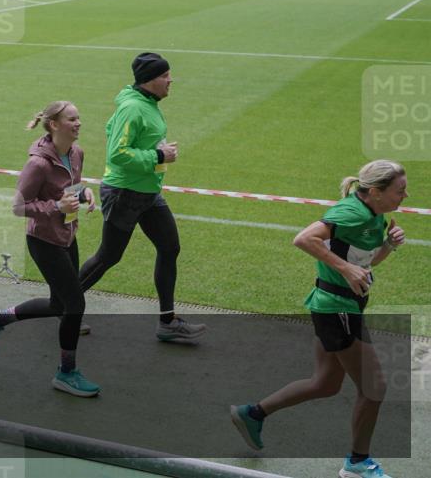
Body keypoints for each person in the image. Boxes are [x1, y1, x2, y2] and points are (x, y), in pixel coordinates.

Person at [230, 160, 407, 478]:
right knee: (374, 387)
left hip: (339, 306)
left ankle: (253, 413)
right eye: (400, 190)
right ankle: (356, 463)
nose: (405, 196)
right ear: (376, 192)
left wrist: (387, 246)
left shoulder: (373, 216)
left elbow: (363, 264)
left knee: (325, 383)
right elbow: (304, 239)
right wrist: (344, 269)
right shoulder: (350, 212)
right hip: (337, 308)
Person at [78, 52, 206, 341]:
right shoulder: (133, 108)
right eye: (165, 76)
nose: (171, 80)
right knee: (108, 256)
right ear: (149, 80)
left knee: (170, 247)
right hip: (125, 192)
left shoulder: (146, 102)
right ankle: (63, 305)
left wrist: (154, 152)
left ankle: (167, 321)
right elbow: (117, 154)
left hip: (147, 191)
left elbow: (121, 135)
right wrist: (158, 154)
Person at [0, 101, 101, 398]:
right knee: (75, 305)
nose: (78, 123)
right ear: (54, 125)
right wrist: (56, 207)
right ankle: (66, 373)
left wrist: (83, 192)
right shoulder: (38, 164)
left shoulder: (76, 153)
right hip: (44, 241)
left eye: (79, 118)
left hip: (67, 235)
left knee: (59, 305)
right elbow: (18, 207)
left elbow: (70, 186)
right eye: (72, 119)